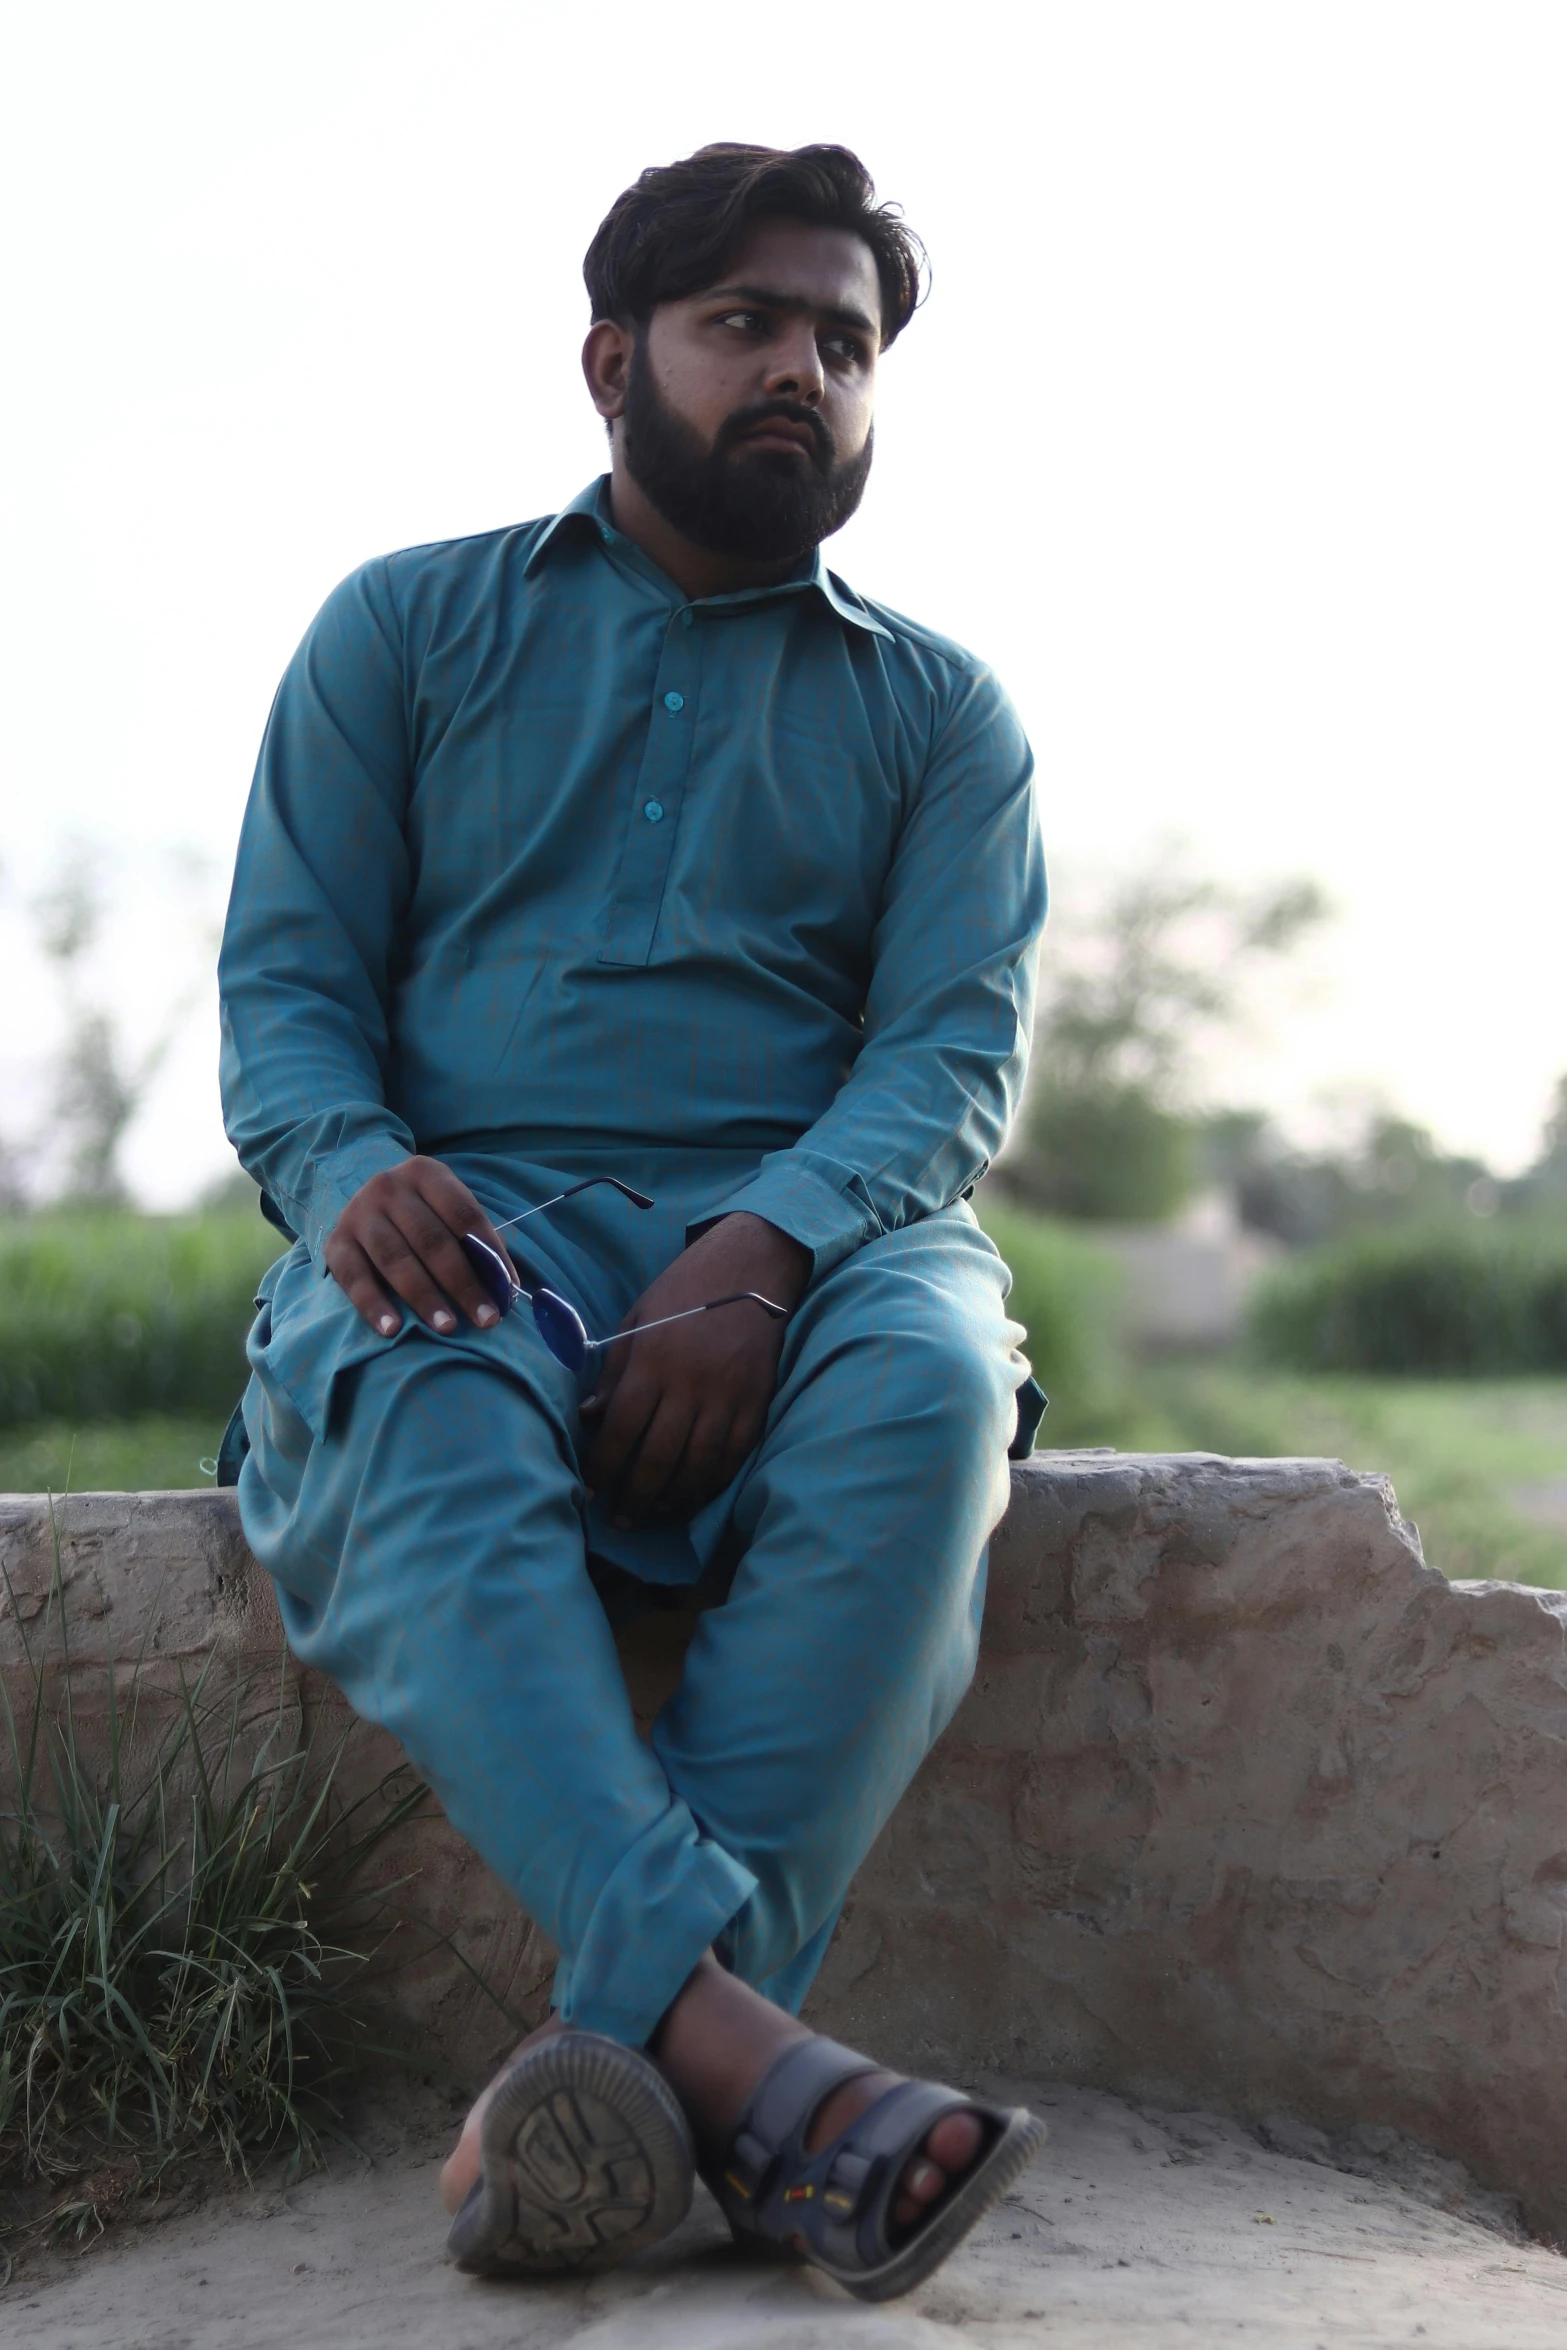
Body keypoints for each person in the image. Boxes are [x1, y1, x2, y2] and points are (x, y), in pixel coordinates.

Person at [218, 141, 1049, 2303]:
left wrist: (765, 1254)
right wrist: (349, 1172)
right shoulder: (403, 627)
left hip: (830, 1235)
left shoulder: (939, 713)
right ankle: (754, 2081)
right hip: (469, 1211)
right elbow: (291, 992)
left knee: (939, 1386)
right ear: (615, 362)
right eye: (749, 323)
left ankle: (617, 2070)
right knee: (416, 1368)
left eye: (846, 343)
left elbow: (950, 1053)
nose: (804, 369)